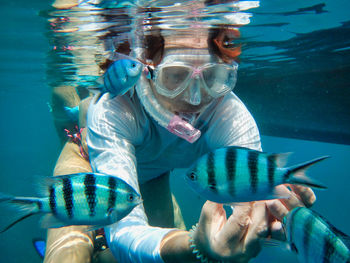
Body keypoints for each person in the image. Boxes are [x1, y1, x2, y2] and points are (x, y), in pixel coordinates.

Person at [44, 1, 317, 263]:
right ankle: (68, 106)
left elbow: (252, 191)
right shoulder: (114, 110)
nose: (195, 98)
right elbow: (124, 231)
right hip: (86, 159)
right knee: (69, 256)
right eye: (175, 76)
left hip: (152, 176)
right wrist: (194, 246)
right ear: (147, 69)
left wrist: (270, 212)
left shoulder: (229, 113)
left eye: (211, 77)